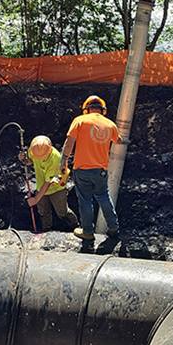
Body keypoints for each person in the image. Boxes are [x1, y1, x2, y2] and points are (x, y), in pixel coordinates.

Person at [60, 95, 123, 253]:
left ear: (86, 108)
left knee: (85, 200)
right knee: (103, 197)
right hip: (100, 170)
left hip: (82, 169)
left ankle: (88, 232)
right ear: (103, 110)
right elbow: (119, 140)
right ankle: (114, 228)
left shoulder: (80, 120)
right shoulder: (110, 124)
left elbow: (69, 142)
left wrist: (63, 162)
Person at [21, 135, 79, 232]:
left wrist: (35, 199)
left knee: (62, 212)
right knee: (43, 212)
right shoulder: (35, 150)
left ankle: (74, 226)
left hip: (56, 188)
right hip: (41, 186)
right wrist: (23, 159)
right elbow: (30, 161)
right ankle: (46, 230)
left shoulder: (55, 159)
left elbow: (48, 183)